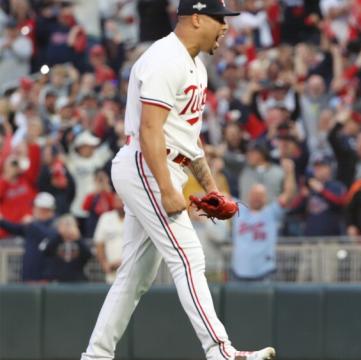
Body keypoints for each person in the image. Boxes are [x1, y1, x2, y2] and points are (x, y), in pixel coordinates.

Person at [81, 1, 276, 359]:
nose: (226, 27)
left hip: (166, 163)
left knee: (134, 278)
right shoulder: (163, 58)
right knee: (189, 259)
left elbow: (190, 140)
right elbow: (150, 130)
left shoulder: (197, 67)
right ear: (197, 17)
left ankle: (96, 355)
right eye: (220, 19)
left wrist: (211, 188)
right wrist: (169, 189)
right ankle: (221, 352)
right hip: (147, 163)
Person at [231, 158, 296, 281]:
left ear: (265, 198)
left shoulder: (271, 212)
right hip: (238, 272)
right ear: (249, 196)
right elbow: (218, 195)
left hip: (264, 272)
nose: (257, 198)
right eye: (254, 195)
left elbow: (289, 195)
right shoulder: (239, 210)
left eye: (260, 196)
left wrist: (290, 173)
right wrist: (214, 170)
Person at [0, 192, 57, 283]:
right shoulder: (34, 224)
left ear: (44, 209)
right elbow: (16, 229)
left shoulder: (55, 223)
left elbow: (51, 236)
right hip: (28, 276)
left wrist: (33, 223)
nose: (33, 210)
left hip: (44, 277)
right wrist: (2, 220)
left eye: (35, 207)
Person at [41, 214, 92, 282]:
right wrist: (59, 235)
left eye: (70, 225)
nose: (68, 228)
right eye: (64, 225)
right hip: (56, 279)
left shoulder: (80, 241)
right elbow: (46, 252)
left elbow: (88, 255)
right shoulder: (54, 238)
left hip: (77, 279)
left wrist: (78, 239)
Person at [93, 194, 125, 284]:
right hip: (112, 271)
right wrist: (104, 264)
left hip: (132, 269)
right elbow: (99, 243)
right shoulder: (106, 218)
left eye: (122, 200)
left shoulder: (136, 218)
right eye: (117, 200)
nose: (120, 203)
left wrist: (124, 262)